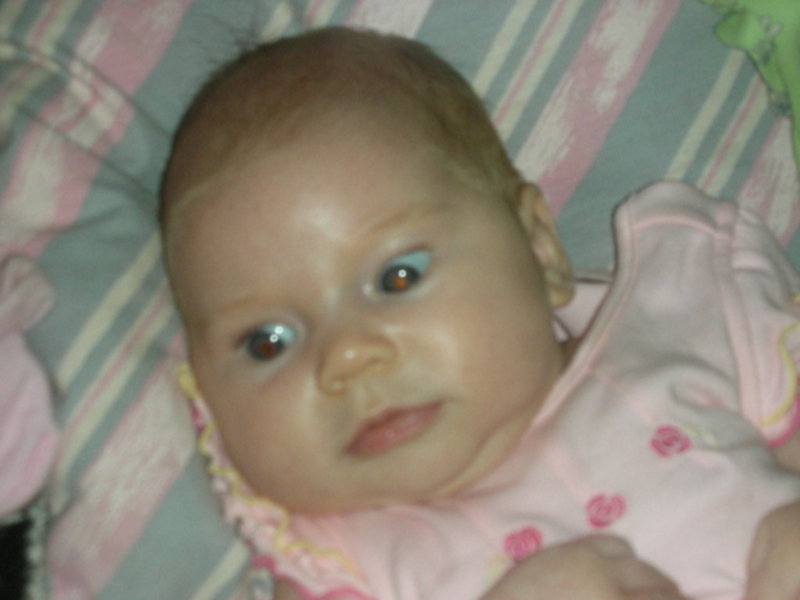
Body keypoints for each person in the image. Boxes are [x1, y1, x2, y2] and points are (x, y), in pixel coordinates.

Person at [159, 27, 800, 600]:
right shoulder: (344, 561)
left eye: (397, 277)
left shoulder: (682, 323)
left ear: (539, 250)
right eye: (269, 341)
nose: (347, 357)